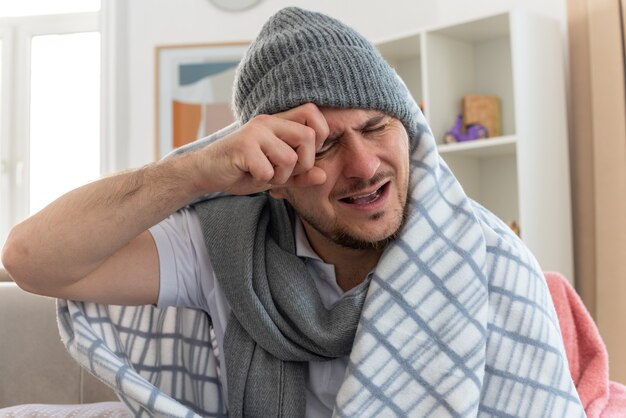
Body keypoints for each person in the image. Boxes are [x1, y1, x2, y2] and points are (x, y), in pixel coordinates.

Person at [2, 7, 584, 418]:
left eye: (377, 127)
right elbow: (31, 260)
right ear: (270, 177)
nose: (363, 165)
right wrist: (192, 170)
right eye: (324, 145)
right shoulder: (227, 246)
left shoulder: (486, 259)